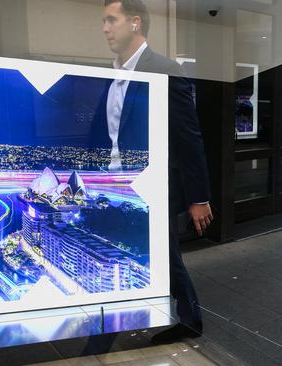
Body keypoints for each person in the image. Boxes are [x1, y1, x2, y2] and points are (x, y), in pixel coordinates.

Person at [97, 0, 213, 343]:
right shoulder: (113, 73)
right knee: (153, 251)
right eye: (103, 21)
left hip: (152, 185)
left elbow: (189, 137)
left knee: (157, 250)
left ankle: (109, 332)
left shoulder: (165, 70)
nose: (104, 28)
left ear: (135, 23)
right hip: (118, 180)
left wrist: (199, 197)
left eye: (110, 20)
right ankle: (185, 317)